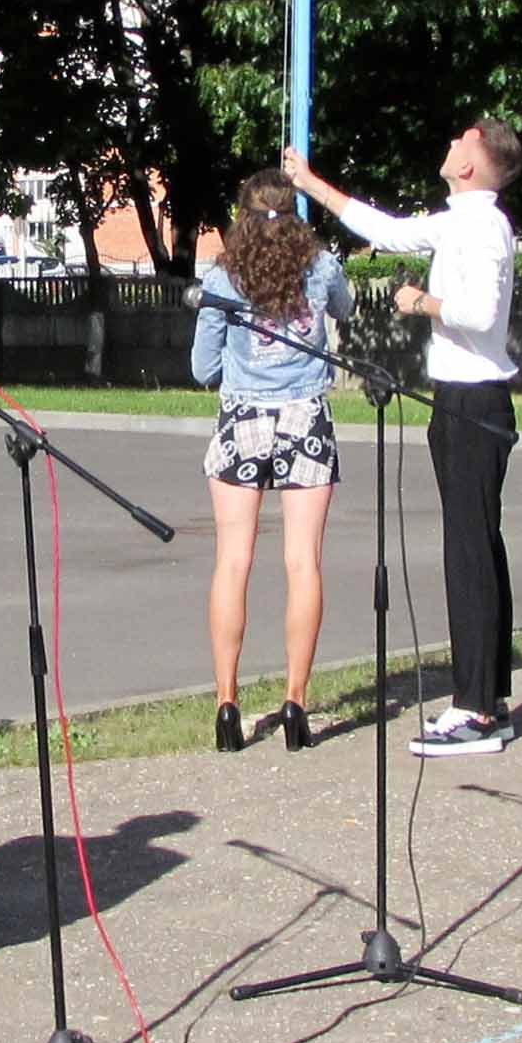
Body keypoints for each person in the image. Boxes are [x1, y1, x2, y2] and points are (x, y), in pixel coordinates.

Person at [285, 121, 522, 753]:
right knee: (478, 546)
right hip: (462, 399)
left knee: (469, 553)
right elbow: (386, 230)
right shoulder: (462, 220)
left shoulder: (480, 228)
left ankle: (473, 711)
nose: (449, 145)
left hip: (473, 402)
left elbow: (476, 313)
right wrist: (312, 184)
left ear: (473, 165)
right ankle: (489, 697)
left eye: (461, 142)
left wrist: (419, 302)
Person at [193, 169, 351, 751]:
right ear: (294, 213)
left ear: (242, 214)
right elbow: (346, 309)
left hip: (243, 419)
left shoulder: (223, 276)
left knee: (233, 561)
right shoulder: (321, 266)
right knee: (303, 563)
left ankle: (227, 706)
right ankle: (295, 703)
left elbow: (202, 368)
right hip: (306, 416)